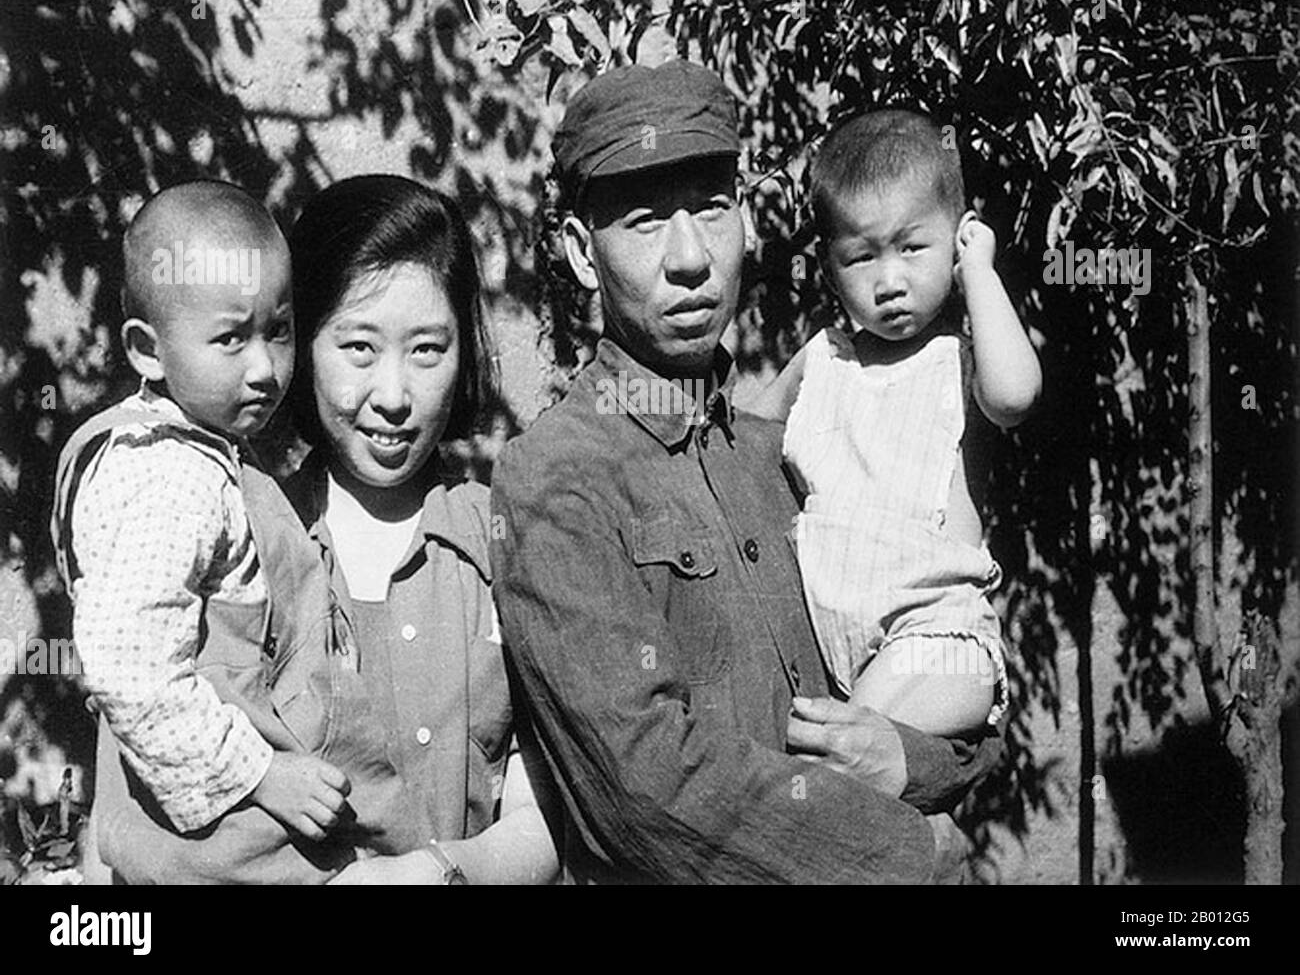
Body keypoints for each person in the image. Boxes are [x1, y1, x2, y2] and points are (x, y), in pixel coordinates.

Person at [489, 59, 1004, 884]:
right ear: (584, 256)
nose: (691, 257)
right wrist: (914, 850)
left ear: (748, 222)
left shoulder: (788, 445)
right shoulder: (555, 478)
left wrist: (906, 759)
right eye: (647, 222)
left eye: (713, 210)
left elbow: (955, 680)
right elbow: (647, 786)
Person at [51, 181, 365, 883]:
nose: (264, 368)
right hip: (212, 829)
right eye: (231, 339)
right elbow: (132, 667)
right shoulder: (166, 478)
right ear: (147, 350)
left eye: (278, 331)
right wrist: (262, 776)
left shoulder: (207, 447)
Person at [285, 175, 558, 885]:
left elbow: (546, 816)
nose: (394, 397)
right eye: (358, 349)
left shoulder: (504, 541)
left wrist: (439, 872)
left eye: (427, 350)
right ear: (302, 345)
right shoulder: (254, 539)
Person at [751, 110, 1041, 739]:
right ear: (829, 268)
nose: (890, 281)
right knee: (824, 760)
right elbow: (742, 443)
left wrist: (980, 271)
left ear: (958, 238)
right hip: (827, 649)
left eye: (914, 248)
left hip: (937, 638)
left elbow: (1016, 396)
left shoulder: (962, 360)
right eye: (860, 258)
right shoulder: (823, 360)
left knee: (833, 755)